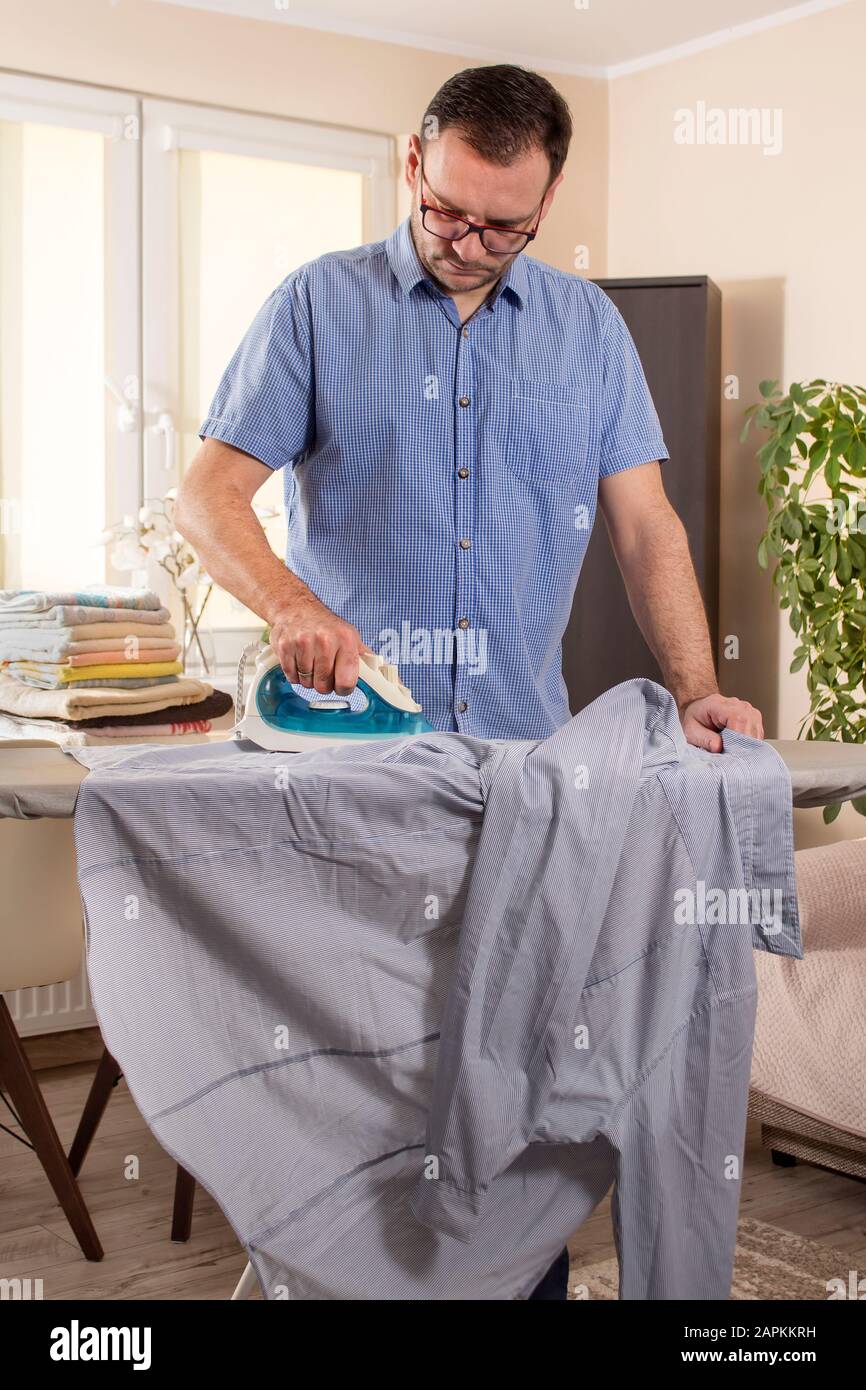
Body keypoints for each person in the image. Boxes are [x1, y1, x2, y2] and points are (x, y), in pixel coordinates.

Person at [175, 63, 764, 1301]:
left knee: (515, 1083)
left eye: (503, 225)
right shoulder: (315, 309)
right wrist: (291, 604)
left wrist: (697, 685)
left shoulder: (584, 330)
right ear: (413, 164)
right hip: (353, 782)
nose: (467, 242)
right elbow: (209, 494)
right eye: (448, 212)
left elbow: (646, 529)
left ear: (545, 204)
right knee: (359, 1091)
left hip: (523, 783)